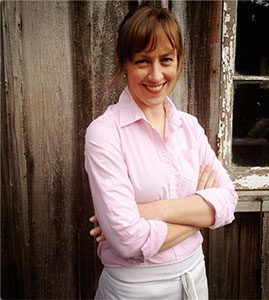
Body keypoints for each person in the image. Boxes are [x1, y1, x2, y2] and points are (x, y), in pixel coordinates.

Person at [85, 4, 238, 300]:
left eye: (166, 59)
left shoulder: (189, 127)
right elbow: (129, 241)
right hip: (134, 289)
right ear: (124, 63)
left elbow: (229, 201)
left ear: (178, 62)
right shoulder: (104, 133)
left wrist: (149, 212)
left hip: (194, 278)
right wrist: (201, 212)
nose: (156, 75)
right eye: (143, 61)